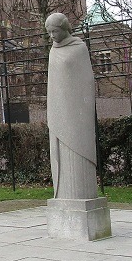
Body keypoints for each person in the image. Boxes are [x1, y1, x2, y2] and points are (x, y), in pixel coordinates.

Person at [45, 12, 98, 200]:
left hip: (76, 113)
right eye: (49, 32)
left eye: (55, 31)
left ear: (65, 28)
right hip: (59, 109)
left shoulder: (79, 48)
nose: (52, 36)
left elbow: (86, 81)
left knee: (78, 153)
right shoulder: (53, 50)